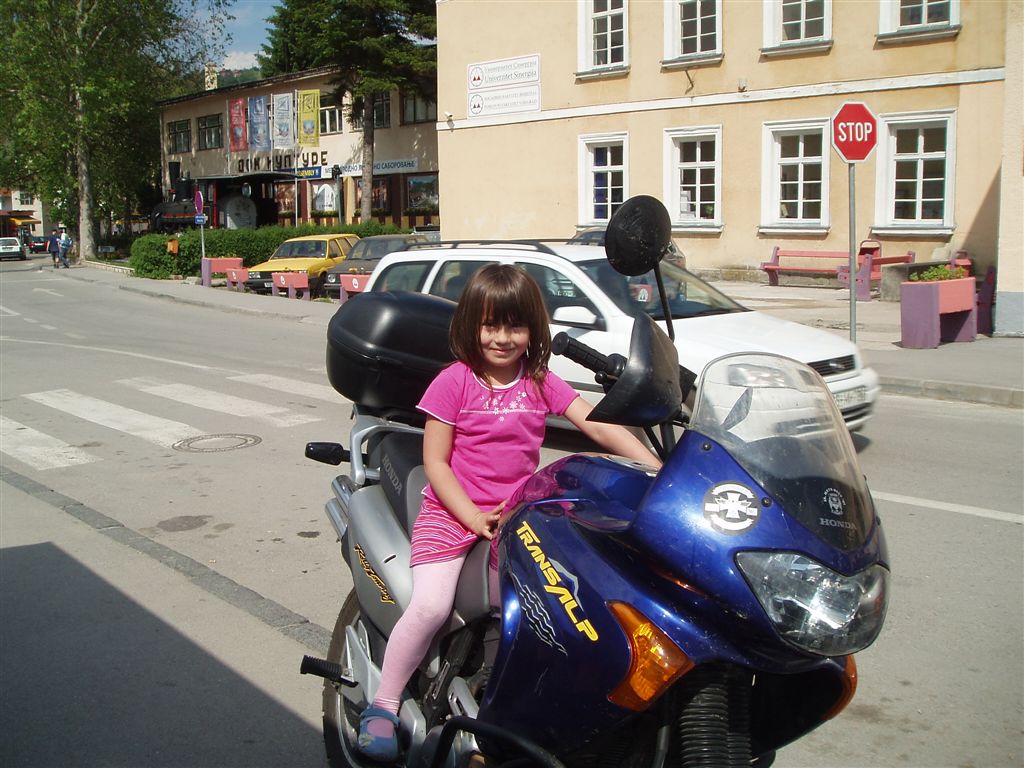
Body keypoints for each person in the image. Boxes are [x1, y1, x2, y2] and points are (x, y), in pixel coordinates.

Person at [356, 264, 662, 762]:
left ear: (533, 329)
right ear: (470, 326)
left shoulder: (539, 380)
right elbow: (436, 463)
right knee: (431, 606)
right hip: (450, 514)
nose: (502, 338)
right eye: (490, 325)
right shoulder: (454, 382)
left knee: (541, 611)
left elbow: (598, 425)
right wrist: (471, 517)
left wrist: (657, 470)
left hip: (515, 514)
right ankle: (384, 705)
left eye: (515, 326)